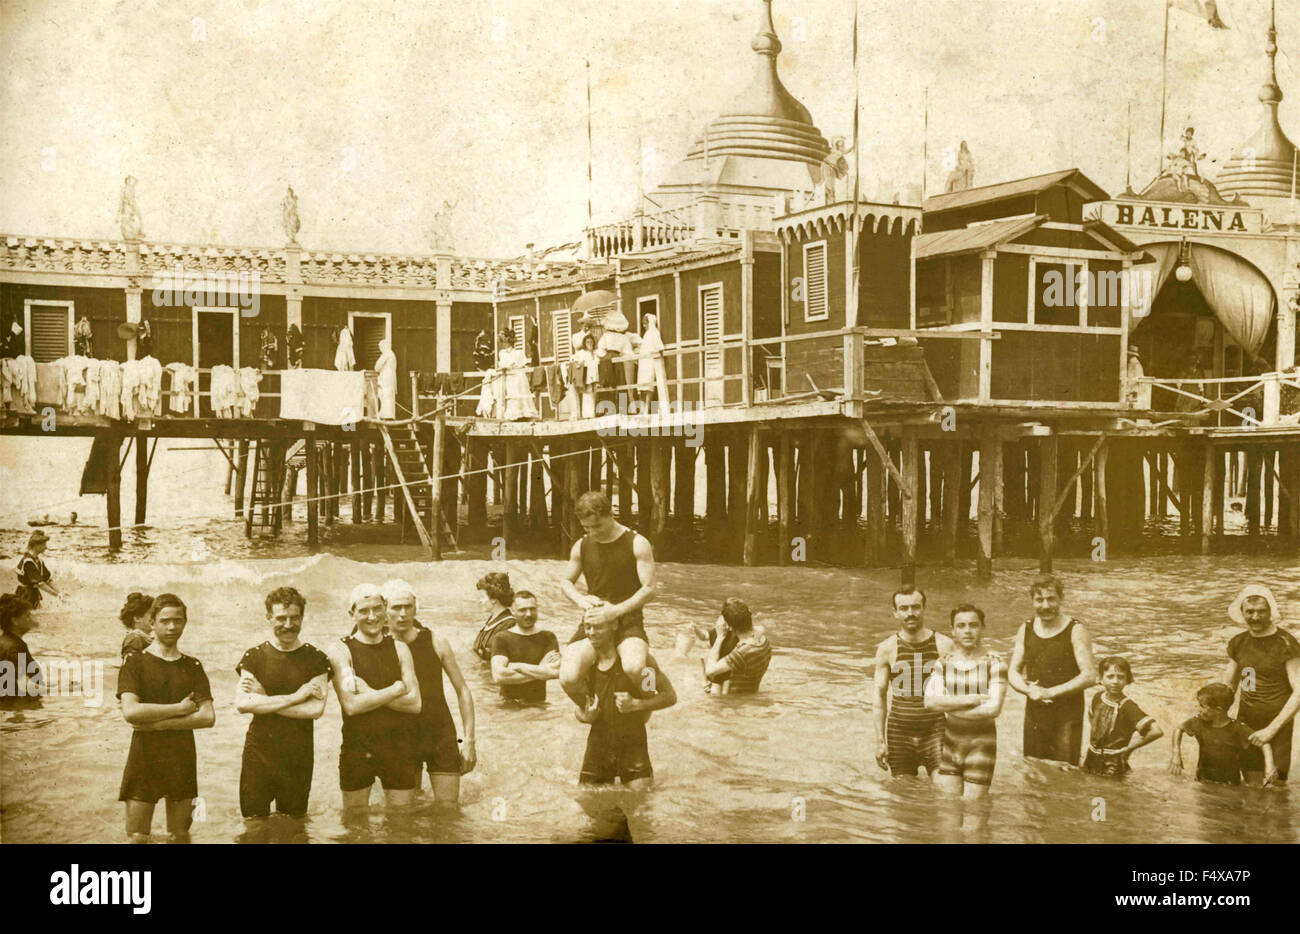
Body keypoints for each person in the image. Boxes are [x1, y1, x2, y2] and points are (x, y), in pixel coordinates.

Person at [116, 594, 215, 842]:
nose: (172, 627)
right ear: (152, 622)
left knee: (180, 836)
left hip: (181, 757)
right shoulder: (135, 663)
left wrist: (156, 724)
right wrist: (179, 709)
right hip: (144, 757)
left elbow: (207, 717)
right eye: (165, 620)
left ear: (185, 622)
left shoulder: (193, 665)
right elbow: (131, 712)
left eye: (178, 620)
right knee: (137, 838)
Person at [233, 587, 332, 820]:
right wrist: (296, 697)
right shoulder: (254, 656)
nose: (288, 624)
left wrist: (264, 699)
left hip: (298, 754)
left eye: (294, 618)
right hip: (259, 752)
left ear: (302, 618)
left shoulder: (316, 659)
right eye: (281, 618)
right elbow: (243, 703)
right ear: (269, 618)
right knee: (254, 825)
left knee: (293, 826)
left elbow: (315, 710)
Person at [324, 584, 422, 809]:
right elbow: (351, 705)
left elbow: (415, 703)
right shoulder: (341, 650)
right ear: (352, 614)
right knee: (355, 828)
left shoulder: (399, 648)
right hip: (358, 748)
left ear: (385, 608)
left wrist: (369, 692)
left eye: (377, 609)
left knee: (401, 828)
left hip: (399, 747)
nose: (372, 617)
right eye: (363, 611)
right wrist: (396, 689)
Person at [383, 579, 476, 807]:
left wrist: (470, 740)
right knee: (404, 814)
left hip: (439, 733)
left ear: (416, 607)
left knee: (448, 811)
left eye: (408, 607)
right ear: (385, 609)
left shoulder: (436, 641)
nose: (403, 614)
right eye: (396, 608)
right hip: (399, 736)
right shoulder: (379, 646)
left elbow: (462, 690)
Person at [558, 491, 656, 706]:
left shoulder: (637, 543)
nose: (593, 532)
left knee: (635, 668)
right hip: (593, 621)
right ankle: (593, 707)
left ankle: (649, 703)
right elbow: (565, 582)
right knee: (567, 678)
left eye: (597, 526)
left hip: (628, 619)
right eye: (587, 528)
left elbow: (650, 589)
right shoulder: (581, 545)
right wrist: (580, 600)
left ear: (611, 514)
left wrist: (615, 611)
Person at [573, 612, 676, 788]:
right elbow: (578, 709)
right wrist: (585, 716)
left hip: (633, 747)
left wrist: (637, 704)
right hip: (598, 748)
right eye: (587, 627)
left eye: (598, 626)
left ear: (614, 626)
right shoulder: (587, 664)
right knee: (589, 810)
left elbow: (668, 696)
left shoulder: (638, 664)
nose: (591, 632)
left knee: (641, 811)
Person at [1007, 574, 1097, 765]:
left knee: (1064, 772)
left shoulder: (1075, 629)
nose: (1046, 606)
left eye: (1051, 599)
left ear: (1061, 598)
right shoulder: (1026, 628)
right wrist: (1028, 690)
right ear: (1032, 601)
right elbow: (1012, 671)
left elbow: (1089, 675)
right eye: (1039, 600)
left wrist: (1050, 692)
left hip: (1067, 714)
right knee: (1033, 768)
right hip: (1035, 711)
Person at [923, 604, 1006, 797]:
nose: (967, 631)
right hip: (951, 744)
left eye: (973, 625)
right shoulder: (943, 662)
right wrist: (969, 700)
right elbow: (929, 702)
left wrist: (947, 704)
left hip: (981, 745)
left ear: (982, 628)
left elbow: (992, 709)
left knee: (974, 815)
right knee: (947, 813)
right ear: (953, 631)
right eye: (961, 626)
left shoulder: (995, 662)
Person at [872, 586, 954, 778]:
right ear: (895, 613)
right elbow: (879, 696)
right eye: (904, 608)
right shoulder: (887, 648)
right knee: (903, 799)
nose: (911, 613)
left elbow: (961, 692)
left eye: (916, 607)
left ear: (924, 608)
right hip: (899, 732)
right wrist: (880, 741)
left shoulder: (945, 645)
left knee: (945, 794)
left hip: (935, 730)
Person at [1222, 584, 1299, 784]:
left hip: (1277, 727)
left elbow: (1299, 693)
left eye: (1261, 611)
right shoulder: (1238, 643)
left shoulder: (1286, 644)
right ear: (1242, 612)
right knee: (1250, 785)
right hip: (1246, 723)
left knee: (1275, 788)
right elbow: (1228, 686)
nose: (1255, 617)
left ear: (1271, 611)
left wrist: (1271, 730)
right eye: (1250, 611)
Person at [1170, 683, 1276, 786]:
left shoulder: (1237, 728)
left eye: (1202, 707)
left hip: (1230, 785)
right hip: (1203, 781)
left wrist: (1269, 767)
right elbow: (1179, 729)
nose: (1198, 709)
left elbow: (1264, 744)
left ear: (1218, 710)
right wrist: (1176, 754)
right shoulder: (1199, 722)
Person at [1081, 656, 1163, 777]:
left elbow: (1156, 731)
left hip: (1113, 762)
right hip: (1091, 757)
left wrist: (1129, 749)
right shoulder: (1097, 697)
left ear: (1127, 680)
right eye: (1110, 676)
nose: (1115, 681)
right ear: (1101, 679)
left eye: (1121, 677)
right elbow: (1092, 718)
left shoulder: (1128, 706)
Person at [490, 590, 561, 704]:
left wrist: (519, 666)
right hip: (509, 705)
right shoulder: (501, 638)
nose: (528, 614)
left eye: (532, 609)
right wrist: (541, 668)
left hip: (539, 705)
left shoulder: (548, 637)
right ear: (513, 612)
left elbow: (555, 672)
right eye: (522, 610)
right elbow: (499, 675)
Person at [702, 598, 772, 695]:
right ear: (749, 616)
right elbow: (759, 628)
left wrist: (719, 637)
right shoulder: (764, 641)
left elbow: (710, 671)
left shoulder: (741, 653)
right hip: (750, 694)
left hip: (730, 703)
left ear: (729, 626)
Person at [0, 593, 42, 710]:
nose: (32, 619)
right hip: (12, 708)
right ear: (15, 621)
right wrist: (61, 688)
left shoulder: (5, 641)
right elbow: (24, 686)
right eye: (27, 615)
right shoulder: (15, 647)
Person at [471, 572, 517, 663]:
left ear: (493, 599)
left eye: (482, 597)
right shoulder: (490, 622)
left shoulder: (510, 625)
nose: (479, 601)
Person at [498, 329, 537, 420]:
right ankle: (512, 414)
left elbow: (522, 364)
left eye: (506, 342)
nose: (504, 344)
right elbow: (502, 365)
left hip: (517, 377)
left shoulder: (518, 353)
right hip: (507, 378)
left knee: (518, 391)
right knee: (509, 394)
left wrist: (513, 366)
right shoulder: (502, 353)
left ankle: (523, 414)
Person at [15, 530, 58, 609]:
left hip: (32, 594)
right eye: (44, 544)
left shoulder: (39, 561)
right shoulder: (28, 562)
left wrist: (60, 592)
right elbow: (41, 584)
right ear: (37, 546)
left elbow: (48, 580)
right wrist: (57, 595)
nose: (46, 547)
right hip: (25, 595)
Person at [119, 592, 155, 659]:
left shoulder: (143, 638)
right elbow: (131, 667)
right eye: (152, 615)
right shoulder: (135, 639)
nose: (155, 618)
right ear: (137, 618)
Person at [375, 338, 397, 419]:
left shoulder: (386, 354)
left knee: (385, 394)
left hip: (385, 376)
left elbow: (377, 366)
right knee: (387, 395)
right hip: (390, 377)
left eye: (381, 347)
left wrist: (378, 369)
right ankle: (388, 413)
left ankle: (386, 414)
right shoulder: (392, 354)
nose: (380, 349)